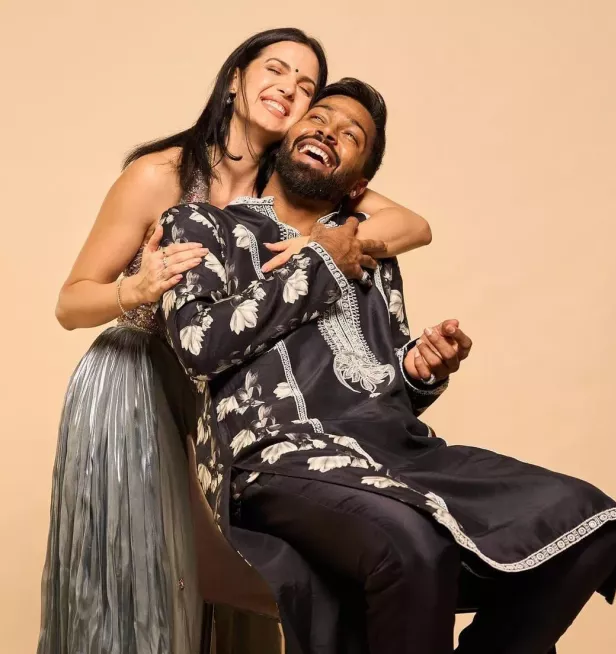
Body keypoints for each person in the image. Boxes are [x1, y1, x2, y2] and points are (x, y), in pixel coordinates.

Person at [160, 78, 616, 654]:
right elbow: (198, 345)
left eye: (350, 135)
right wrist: (319, 261)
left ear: (358, 185)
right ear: (285, 139)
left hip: (399, 455)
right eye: (318, 118)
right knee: (411, 545)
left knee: (591, 526)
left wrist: (420, 369)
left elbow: (381, 382)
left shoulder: (375, 257)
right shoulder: (207, 227)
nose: (327, 132)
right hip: (277, 456)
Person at [38, 28, 434, 654]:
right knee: (141, 576)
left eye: (305, 85)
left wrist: (329, 241)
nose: (289, 89)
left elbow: (414, 225)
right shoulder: (161, 174)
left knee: (234, 573)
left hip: (225, 391)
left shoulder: (286, 181)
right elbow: (70, 302)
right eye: (275, 70)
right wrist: (137, 288)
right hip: (137, 384)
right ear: (234, 79)